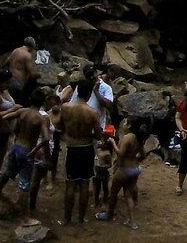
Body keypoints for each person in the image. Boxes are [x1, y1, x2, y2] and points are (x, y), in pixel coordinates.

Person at [0, 87, 49, 226]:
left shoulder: (22, 111)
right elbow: (45, 139)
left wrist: (13, 132)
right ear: (42, 102)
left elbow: (5, 117)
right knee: (24, 183)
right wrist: (35, 151)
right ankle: (25, 217)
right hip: (27, 150)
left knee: (8, 171)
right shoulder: (41, 118)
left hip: (16, 146)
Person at [55, 80, 100, 225]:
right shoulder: (92, 113)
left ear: (77, 92)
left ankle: (67, 218)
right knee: (85, 184)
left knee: (70, 184)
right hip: (86, 147)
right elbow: (98, 134)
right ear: (88, 95)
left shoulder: (66, 107)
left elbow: (60, 125)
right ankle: (81, 218)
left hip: (72, 147)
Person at [96, 116, 148, 229]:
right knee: (128, 195)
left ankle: (109, 215)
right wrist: (134, 160)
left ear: (129, 125)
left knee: (113, 192)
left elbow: (120, 154)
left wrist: (113, 143)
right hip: (135, 169)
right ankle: (132, 221)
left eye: (125, 122)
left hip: (124, 169)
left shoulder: (127, 138)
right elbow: (143, 155)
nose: (122, 124)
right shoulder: (138, 138)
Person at [93, 125, 115, 209]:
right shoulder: (99, 150)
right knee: (98, 188)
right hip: (98, 171)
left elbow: (110, 164)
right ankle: (97, 202)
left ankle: (104, 202)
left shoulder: (107, 153)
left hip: (102, 172)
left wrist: (103, 166)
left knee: (104, 188)